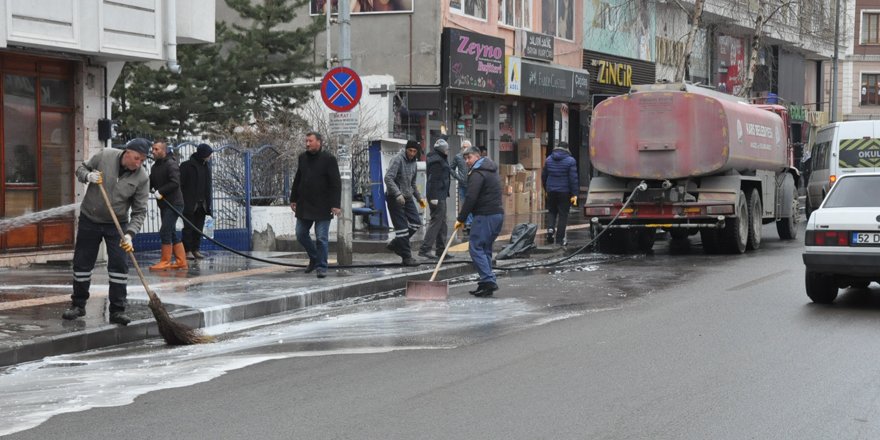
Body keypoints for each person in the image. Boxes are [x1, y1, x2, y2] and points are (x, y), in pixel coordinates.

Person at [62, 138, 150, 325]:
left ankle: (117, 310)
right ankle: (78, 305)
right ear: (127, 152)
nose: (139, 163)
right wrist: (88, 177)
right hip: (89, 219)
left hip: (117, 224)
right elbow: (81, 169)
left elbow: (140, 211)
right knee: (82, 264)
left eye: (142, 160)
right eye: (136, 158)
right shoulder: (105, 156)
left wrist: (130, 234)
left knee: (119, 267)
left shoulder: (141, 177)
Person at [290, 131, 341, 279]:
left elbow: (335, 183)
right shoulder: (302, 158)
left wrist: (335, 204)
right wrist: (293, 198)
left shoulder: (329, 159)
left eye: (310, 141)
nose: (307, 144)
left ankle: (321, 266)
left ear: (319, 142)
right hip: (305, 204)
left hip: (323, 205)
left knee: (321, 238)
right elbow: (297, 179)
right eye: (306, 141)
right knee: (300, 233)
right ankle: (314, 257)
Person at [455, 146, 504, 297]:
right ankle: (485, 284)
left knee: (475, 247)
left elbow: (471, 198)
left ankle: (488, 280)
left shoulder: (478, 173)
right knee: (485, 249)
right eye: (465, 159)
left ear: (476, 157)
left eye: (468, 158)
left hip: (485, 215)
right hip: (497, 214)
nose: (466, 161)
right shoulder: (490, 170)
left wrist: (461, 218)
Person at [384, 140, 426, 266]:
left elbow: (412, 183)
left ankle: (397, 244)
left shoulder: (414, 163)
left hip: (407, 197)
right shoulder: (398, 159)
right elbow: (388, 178)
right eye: (410, 150)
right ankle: (407, 257)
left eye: (414, 151)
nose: (412, 153)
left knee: (415, 223)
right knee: (402, 229)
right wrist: (397, 194)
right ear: (406, 149)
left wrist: (419, 198)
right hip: (394, 197)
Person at [148, 138, 187, 271]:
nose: (153, 151)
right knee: (171, 231)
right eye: (152, 149)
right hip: (164, 204)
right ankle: (181, 261)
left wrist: (161, 191)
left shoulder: (171, 164)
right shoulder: (155, 167)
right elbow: (150, 183)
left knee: (165, 230)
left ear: (163, 151)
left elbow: (175, 182)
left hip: (175, 203)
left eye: (156, 149)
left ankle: (165, 261)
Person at [418, 138, 453, 260]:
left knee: (443, 222)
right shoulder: (437, 161)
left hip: (441, 194)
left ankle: (441, 250)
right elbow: (433, 179)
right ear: (442, 150)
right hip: (436, 195)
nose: (448, 151)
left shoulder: (439, 158)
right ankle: (425, 249)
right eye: (446, 149)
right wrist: (433, 197)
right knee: (436, 222)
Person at [541, 141, 578, 246]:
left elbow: (544, 176)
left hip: (551, 190)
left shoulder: (548, 159)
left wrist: (546, 189)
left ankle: (550, 230)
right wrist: (575, 194)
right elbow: (573, 179)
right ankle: (559, 239)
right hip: (564, 192)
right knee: (563, 215)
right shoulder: (570, 161)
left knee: (552, 211)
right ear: (567, 149)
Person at [180, 143, 213, 260]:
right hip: (190, 203)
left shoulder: (206, 166)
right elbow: (180, 185)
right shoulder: (186, 166)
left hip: (202, 204)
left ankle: (196, 249)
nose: (210, 157)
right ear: (203, 154)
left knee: (199, 228)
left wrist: (208, 203)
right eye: (209, 154)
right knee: (188, 228)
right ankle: (187, 250)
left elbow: (208, 187)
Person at [450, 139, 472, 231]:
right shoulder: (458, 157)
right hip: (462, 185)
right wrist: (457, 177)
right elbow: (451, 168)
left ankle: (470, 222)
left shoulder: (472, 157)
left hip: (472, 184)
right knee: (464, 204)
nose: (465, 149)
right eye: (464, 147)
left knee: (471, 203)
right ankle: (467, 223)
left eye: (467, 147)